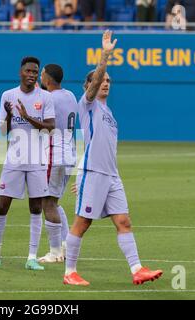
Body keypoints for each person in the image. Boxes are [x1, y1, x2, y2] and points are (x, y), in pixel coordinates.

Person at [63, 31, 163, 286]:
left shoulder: (109, 112)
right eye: (101, 80)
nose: (105, 83)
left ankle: (137, 269)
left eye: (109, 80)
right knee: (83, 223)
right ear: (89, 86)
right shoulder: (87, 104)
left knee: (124, 221)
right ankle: (69, 272)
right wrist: (105, 57)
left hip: (110, 175)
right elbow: (94, 83)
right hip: (94, 173)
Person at [0, 56, 57, 271]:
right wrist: (11, 116)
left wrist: (27, 116)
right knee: (2, 206)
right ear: (20, 72)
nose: (32, 74)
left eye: (35, 71)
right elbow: (2, 131)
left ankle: (31, 257)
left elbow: (50, 127)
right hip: (14, 159)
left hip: (37, 160)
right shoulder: (7, 96)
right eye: (28, 70)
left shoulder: (45, 97)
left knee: (36, 207)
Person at [37, 64, 78, 263]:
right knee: (55, 201)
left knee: (48, 203)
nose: (40, 77)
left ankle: (54, 253)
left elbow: (40, 124)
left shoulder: (48, 98)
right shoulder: (70, 95)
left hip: (55, 153)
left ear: (48, 79)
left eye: (42, 74)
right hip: (70, 153)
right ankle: (66, 244)